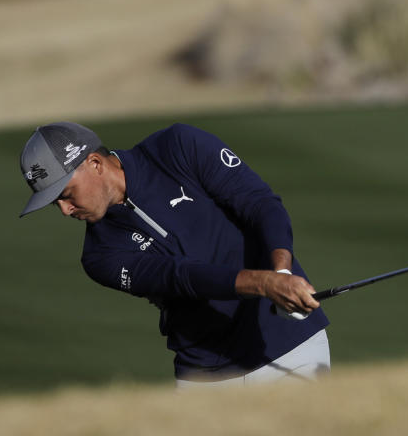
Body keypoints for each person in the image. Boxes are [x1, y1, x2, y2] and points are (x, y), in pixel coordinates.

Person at [18, 121, 330, 387]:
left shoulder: (178, 146)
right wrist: (265, 285)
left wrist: (282, 273)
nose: (64, 210)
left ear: (95, 164)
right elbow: (180, 276)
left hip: (290, 344)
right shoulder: (99, 256)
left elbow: (260, 203)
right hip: (206, 375)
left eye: (65, 195)